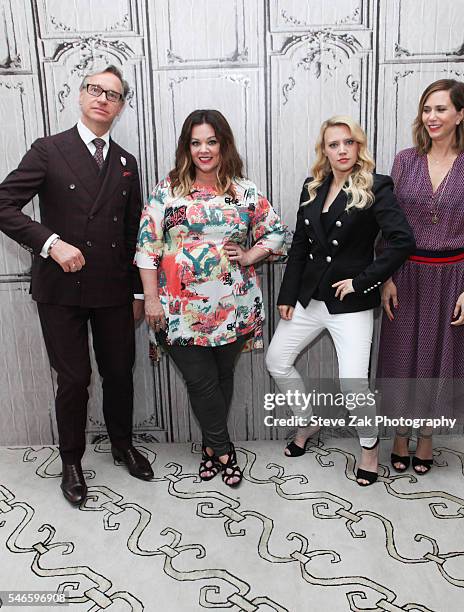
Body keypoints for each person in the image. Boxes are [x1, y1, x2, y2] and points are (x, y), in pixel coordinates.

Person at [0, 65, 154, 505]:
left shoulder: (126, 162)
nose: (102, 99)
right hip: (61, 288)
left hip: (113, 287)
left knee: (119, 373)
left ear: (121, 106)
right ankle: (72, 461)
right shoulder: (49, 149)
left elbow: (132, 231)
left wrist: (140, 292)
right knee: (73, 379)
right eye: (94, 90)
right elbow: (4, 203)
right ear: (80, 96)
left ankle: (123, 445)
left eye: (113, 94)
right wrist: (51, 243)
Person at [135, 109, 285, 487]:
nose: (204, 150)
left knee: (221, 377)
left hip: (234, 306)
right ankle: (225, 449)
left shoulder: (244, 190)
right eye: (196, 142)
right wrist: (151, 300)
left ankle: (209, 449)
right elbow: (147, 246)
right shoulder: (167, 189)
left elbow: (276, 233)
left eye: (211, 141)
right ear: (187, 147)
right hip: (176, 309)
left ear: (223, 145)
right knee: (201, 382)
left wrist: (251, 255)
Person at [265, 115, 415, 486]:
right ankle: (307, 421)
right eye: (334, 144)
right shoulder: (312, 186)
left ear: (358, 146)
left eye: (348, 142)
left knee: (352, 383)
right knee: (276, 360)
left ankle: (368, 448)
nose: (342, 150)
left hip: (351, 305)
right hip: (309, 298)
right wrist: (287, 295)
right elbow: (299, 245)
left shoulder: (377, 187)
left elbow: (402, 241)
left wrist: (364, 282)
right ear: (325, 150)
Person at [377, 79, 464, 475]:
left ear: (461, 114)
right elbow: (389, 224)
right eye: (427, 109)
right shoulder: (405, 160)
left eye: (441, 109)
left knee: (438, 362)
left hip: (452, 278)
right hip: (406, 275)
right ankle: (398, 436)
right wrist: (387, 277)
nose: (432, 117)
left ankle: (426, 438)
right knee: (399, 361)